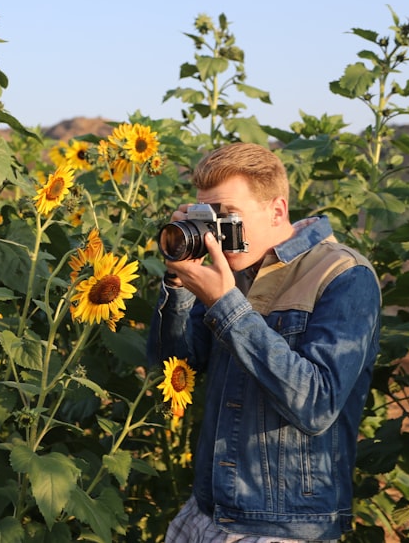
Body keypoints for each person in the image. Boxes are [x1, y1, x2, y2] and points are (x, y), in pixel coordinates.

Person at [148, 142, 381, 543]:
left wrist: (226, 305)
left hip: (283, 526)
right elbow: (173, 363)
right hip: (206, 510)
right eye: (208, 219)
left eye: (228, 218)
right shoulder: (234, 269)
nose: (216, 235)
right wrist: (180, 281)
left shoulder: (343, 274)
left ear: (277, 210)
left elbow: (316, 403)